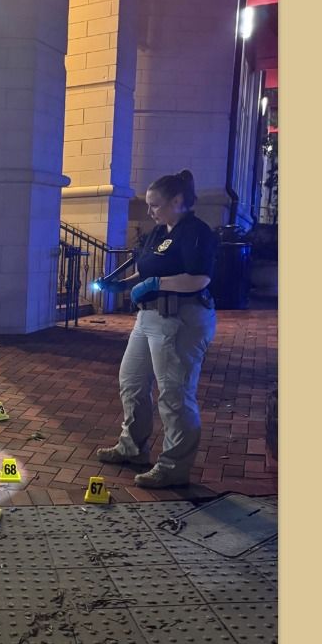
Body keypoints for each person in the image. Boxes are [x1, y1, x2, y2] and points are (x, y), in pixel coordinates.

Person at [93, 170, 220, 488]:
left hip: (182, 320)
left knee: (175, 394)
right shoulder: (159, 231)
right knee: (132, 381)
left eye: (155, 205)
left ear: (178, 201)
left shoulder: (196, 233)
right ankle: (132, 448)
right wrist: (120, 284)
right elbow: (145, 267)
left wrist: (155, 283)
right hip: (149, 318)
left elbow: (199, 278)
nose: (149, 211)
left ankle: (174, 466)